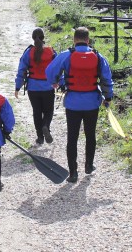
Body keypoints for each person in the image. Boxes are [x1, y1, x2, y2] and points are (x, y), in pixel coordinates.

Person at [45, 27, 113, 183]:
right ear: (88, 40)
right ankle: (89, 165)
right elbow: (106, 79)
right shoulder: (98, 56)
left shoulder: (66, 55)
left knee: (72, 138)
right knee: (90, 135)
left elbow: (50, 71)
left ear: (74, 40)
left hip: (73, 103)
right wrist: (107, 97)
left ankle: (73, 173)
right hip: (92, 103)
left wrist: (55, 82)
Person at [15, 28, 57, 145]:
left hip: (33, 88)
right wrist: (61, 83)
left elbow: (21, 70)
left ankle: (40, 137)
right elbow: (58, 68)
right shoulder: (51, 52)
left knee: (37, 112)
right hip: (48, 87)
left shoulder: (28, 52)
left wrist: (17, 87)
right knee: (48, 111)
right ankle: (46, 126)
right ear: (44, 38)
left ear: (33, 38)